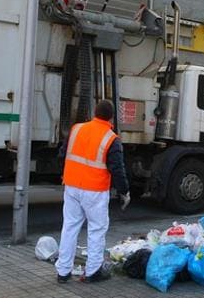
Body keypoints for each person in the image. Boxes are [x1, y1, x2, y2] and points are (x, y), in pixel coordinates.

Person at [55, 100, 131, 283]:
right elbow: (117, 169)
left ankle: (63, 271)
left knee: (70, 227)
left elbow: (61, 155)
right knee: (96, 230)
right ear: (111, 117)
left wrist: (68, 175)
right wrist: (124, 192)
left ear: (95, 113)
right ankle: (93, 271)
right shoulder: (111, 138)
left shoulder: (76, 129)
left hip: (72, 186)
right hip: (95, 191)